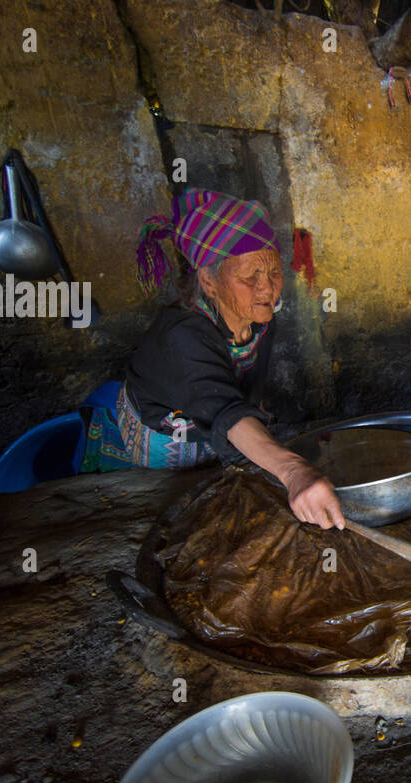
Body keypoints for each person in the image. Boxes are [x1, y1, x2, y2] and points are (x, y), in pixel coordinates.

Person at [78, 189, 344, 529]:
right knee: (177, 519)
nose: (268, 289)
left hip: (213, 431)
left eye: (274, 273)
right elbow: (226, 412)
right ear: (208, 280)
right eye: (250, 277)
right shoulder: (180, 336)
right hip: (161, 445)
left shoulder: (259, 319)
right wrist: (294, 472)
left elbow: (238, 398)